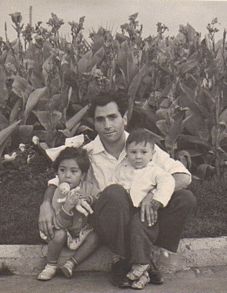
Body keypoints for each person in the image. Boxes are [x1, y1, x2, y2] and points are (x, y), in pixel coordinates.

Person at [38, 91, 196, 287]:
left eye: (113, 117)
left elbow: (183, 176)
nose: (107, 125)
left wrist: (153, 195)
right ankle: (124, 260)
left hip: (143, 216)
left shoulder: (141, 146)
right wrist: (45, 204)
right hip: (109, 217)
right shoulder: (88, 153)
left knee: (185, 198)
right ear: (94, 124)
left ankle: (148, 257)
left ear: (125, 119)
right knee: (114, 192)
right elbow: (59, 180)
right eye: (100, 119)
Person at [110, 128, 175, 289]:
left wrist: (157, 200)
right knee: (131, 231)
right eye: (133, 152)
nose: (138, 156)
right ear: (126, 153)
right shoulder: (122, 169)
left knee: (138, 230)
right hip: (127, 210)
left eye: (143, 152)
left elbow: (168, 182)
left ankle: (141, 264)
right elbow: (114, 184)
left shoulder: (155, 171)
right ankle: (143, 274)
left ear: (152, 153)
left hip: (146, 212)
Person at [37, 147, 99, 281]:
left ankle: (71, 263)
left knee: (95, 238)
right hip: (62, 227)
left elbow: (97, 197)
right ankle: (50, 265)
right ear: (57, 173)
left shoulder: (87, 186)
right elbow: (59, 223)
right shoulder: (58, 192)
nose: (67, 175)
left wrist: (89, 199)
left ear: (82, 175)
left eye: (74, 171)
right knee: (58, 235)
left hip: (80, 230)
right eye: (62, 170)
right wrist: (67, 207)